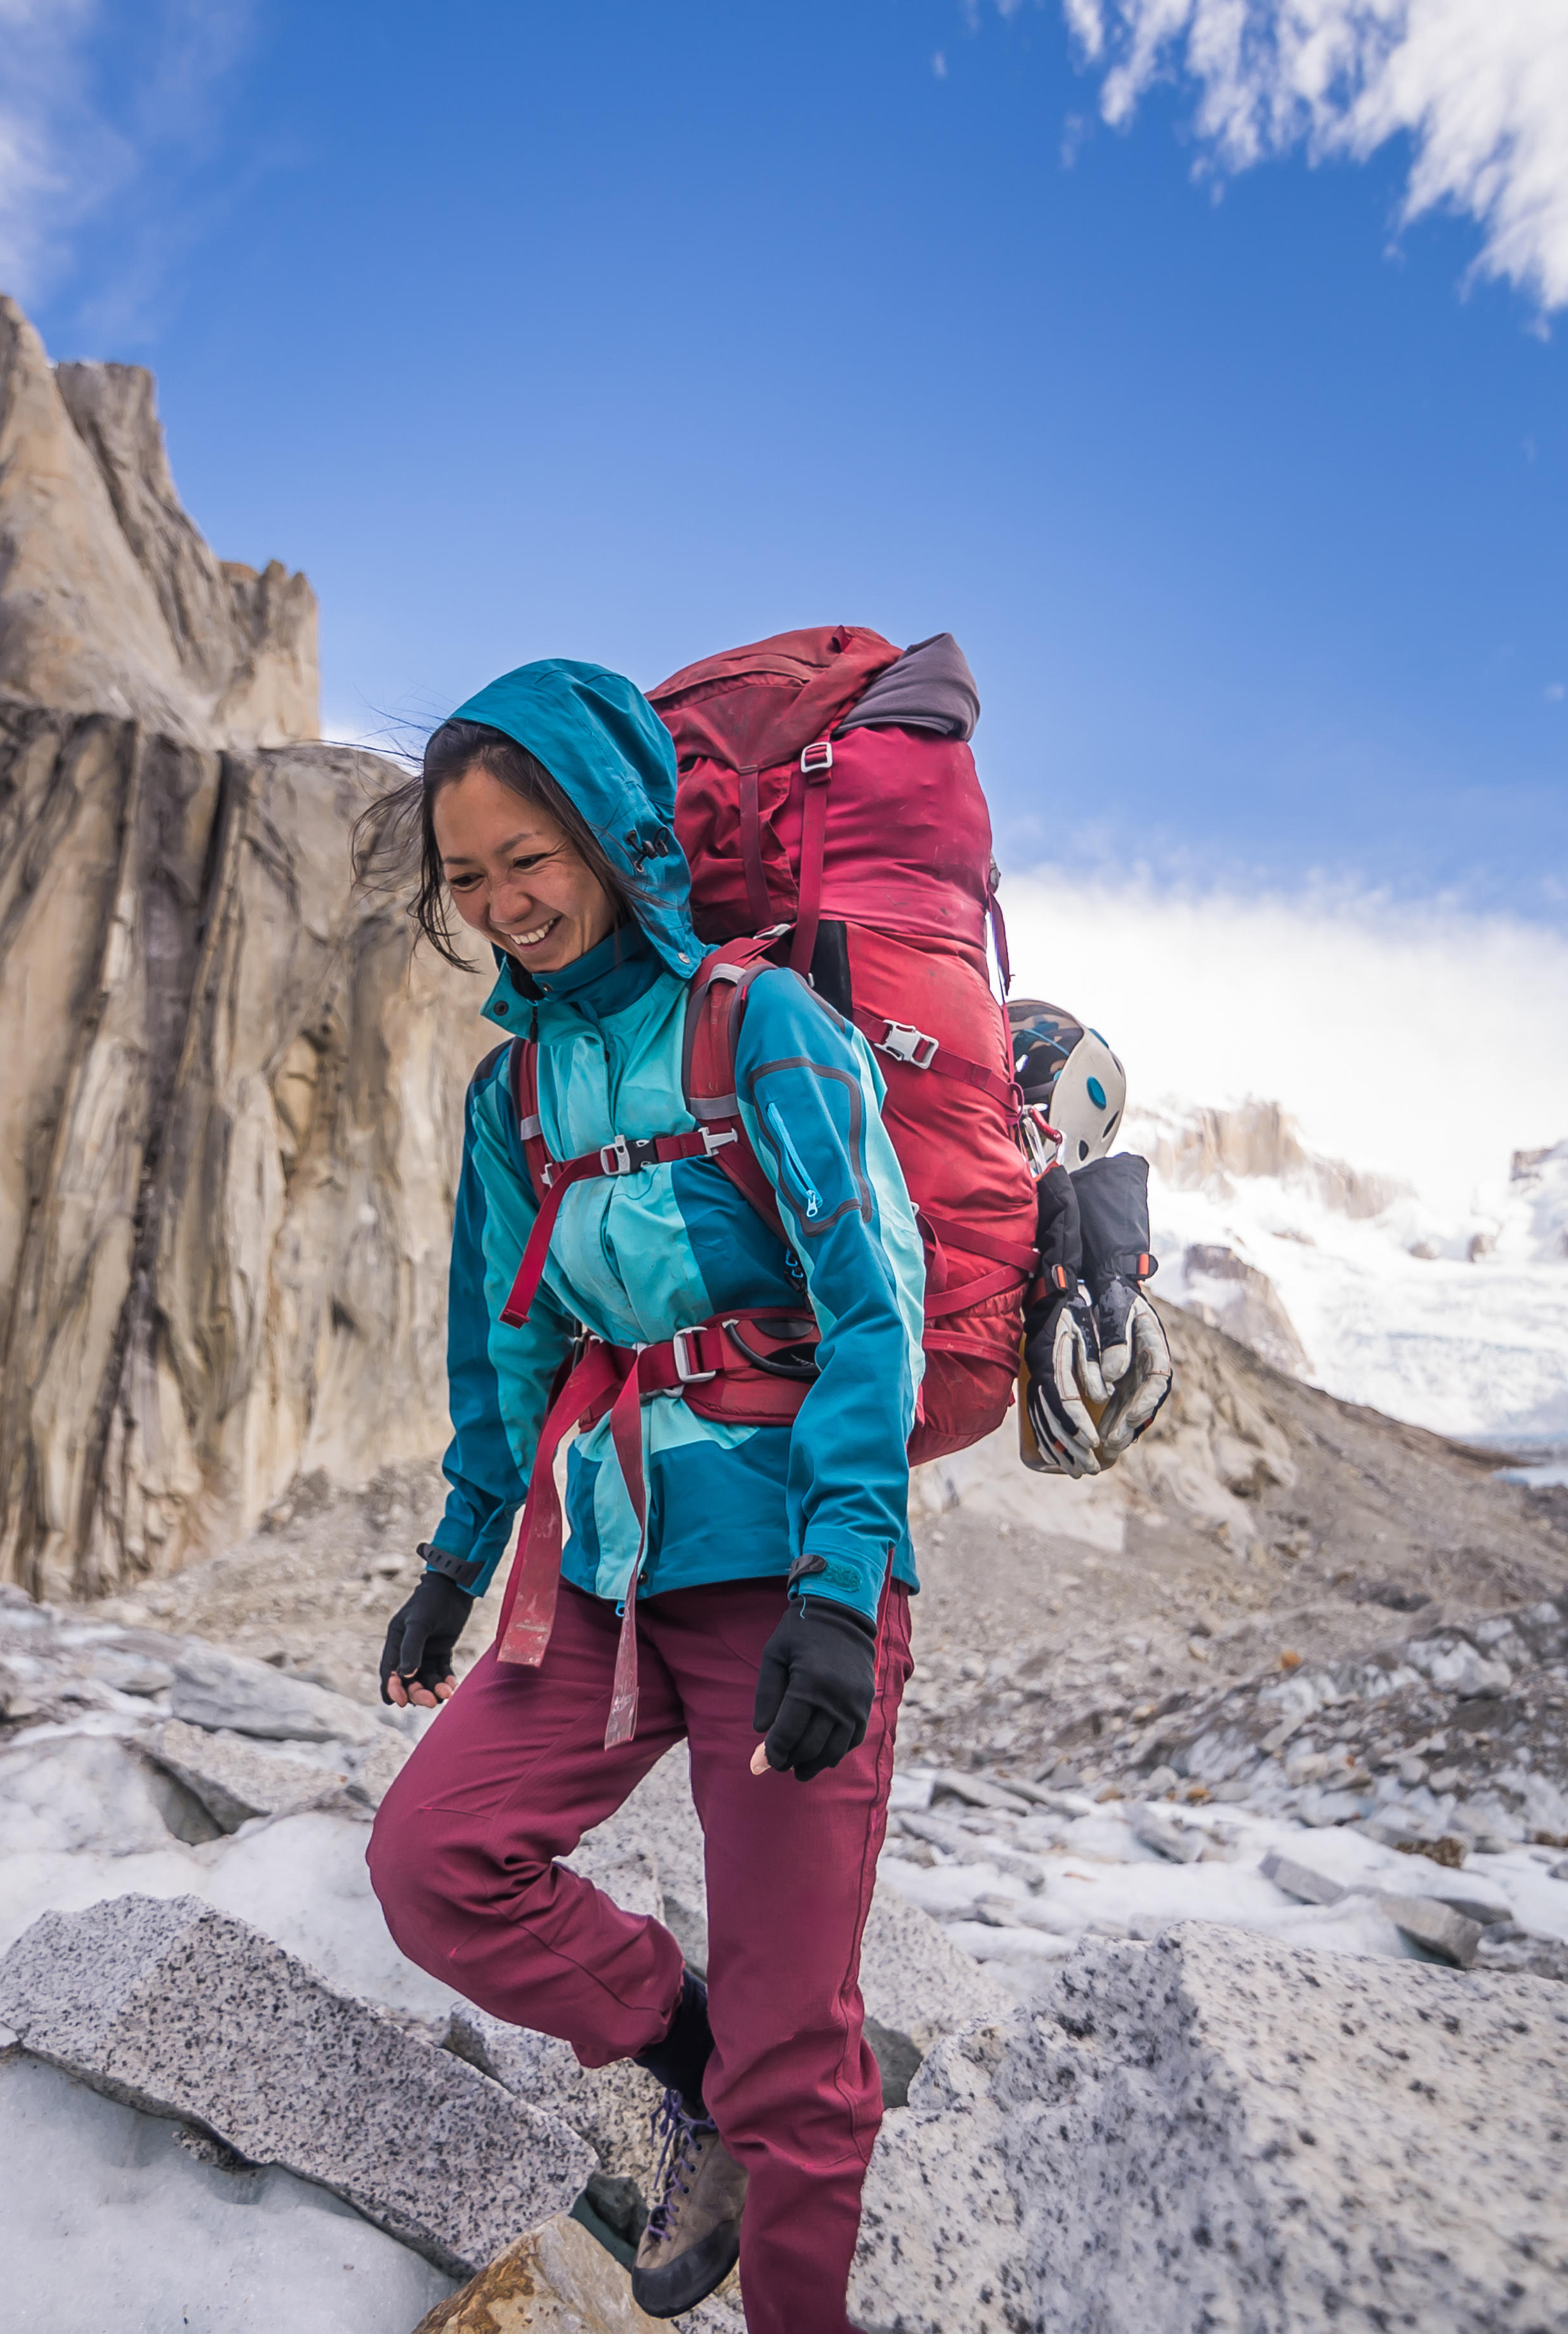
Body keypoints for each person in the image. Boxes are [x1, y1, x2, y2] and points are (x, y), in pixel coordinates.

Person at [355, 659, 925, 2333]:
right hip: (596, 1570)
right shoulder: (510, 1092)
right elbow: (506, 1349)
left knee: (797, 2048)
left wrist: (840, 1591)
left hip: (778, 1574)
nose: (502, 904)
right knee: (434, 1864)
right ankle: (688, 2063)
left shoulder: (765, 1029)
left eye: (526, 857)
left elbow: (871, 1309)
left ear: (611, 836)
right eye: (465, 878)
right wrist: (456, 1561)